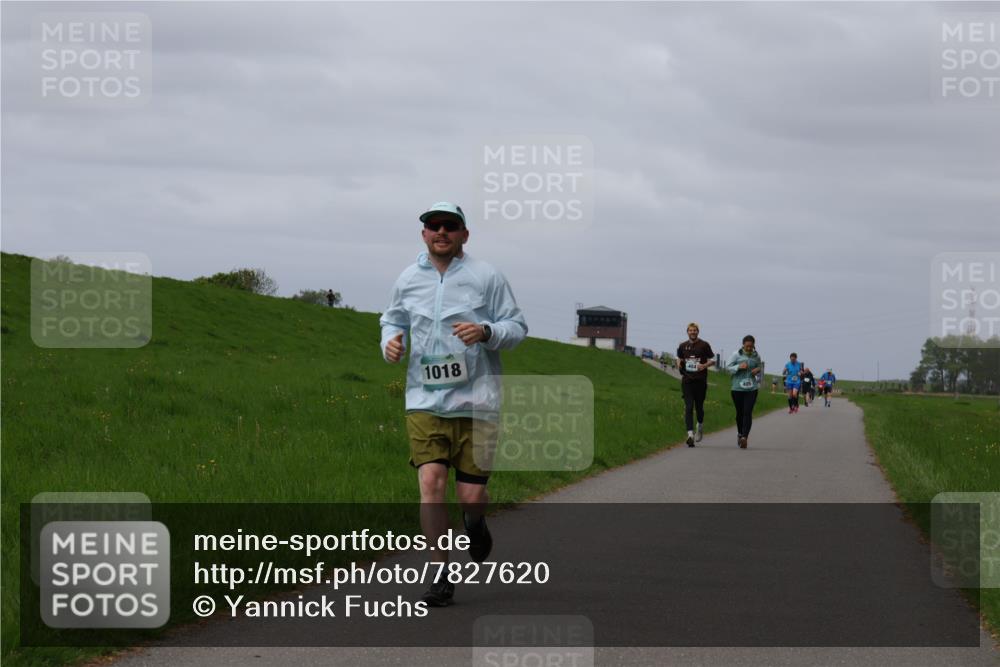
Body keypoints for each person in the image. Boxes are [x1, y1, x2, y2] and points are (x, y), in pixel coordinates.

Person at [380, 201, 528, 607]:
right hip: (424, 400)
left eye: (450, 226)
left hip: (478, 401)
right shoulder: (408, 278)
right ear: (424, 233)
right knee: (431, 484)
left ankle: (475, 523)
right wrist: (389, 341)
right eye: (433, 225)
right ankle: (440, 574)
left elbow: (517, 328)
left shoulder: (487, 277)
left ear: (464, 234)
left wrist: (485, 330)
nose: (441, 231)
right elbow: (392, 319)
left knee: (470, 497)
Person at [676, 323, 715, 446]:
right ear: (687, 332)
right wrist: (678, 363)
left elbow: (713, 360)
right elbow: (679, 357)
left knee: (699, 408)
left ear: (698, 332)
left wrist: (704, 365)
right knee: (688, 407)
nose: (692, 332)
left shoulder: (704, 345)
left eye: (694, 330)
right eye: (690, 330)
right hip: (687, 381)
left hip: (700, 381)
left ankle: (700, 425)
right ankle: (690, 435)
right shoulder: (682, 346)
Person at [726, 335, 762, 449]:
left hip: (752, 388)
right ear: (743, 345)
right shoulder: (736, 354)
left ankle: (744, 438)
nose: (749, 348)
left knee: (747, 412)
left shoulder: (756, 356)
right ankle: (740, 433)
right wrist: (738, 366)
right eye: (747, 346)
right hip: (737, 388)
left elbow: (759, 366)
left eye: (751, 346)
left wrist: (757, 369)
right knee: (740, 413)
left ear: (754, 346)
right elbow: (728, 367)